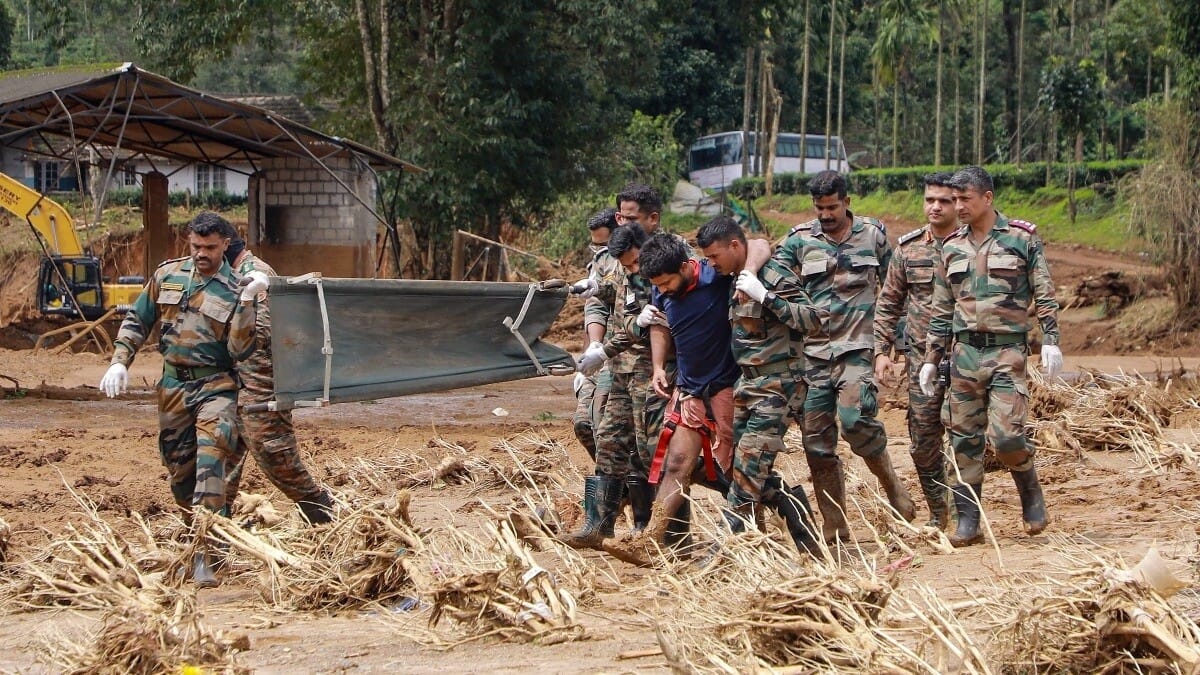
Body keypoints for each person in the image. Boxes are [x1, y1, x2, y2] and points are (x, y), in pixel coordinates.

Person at [99, 212, 264, 587]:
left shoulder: (238, 287)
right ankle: (206, 531)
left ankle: (204, 553)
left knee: (211, 461)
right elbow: (137, 321)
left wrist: (249, 303)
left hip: (217, 387)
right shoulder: (168, 275)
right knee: (180, 472)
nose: (201, 253)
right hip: (173, 387)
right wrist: (119, 361)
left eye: (209, 247)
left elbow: (241, 349)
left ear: (225, 243)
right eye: (195, 246)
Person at [764, 170, 916, 544]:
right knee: (816, 443)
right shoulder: (799, 241)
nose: (826, 214)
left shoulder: (873, 234)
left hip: (858, 348)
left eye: (832, 207)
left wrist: (898, 347)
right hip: (812, 355)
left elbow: (896, 291)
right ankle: (835, 522)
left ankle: (891, 483)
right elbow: (770, 269)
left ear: (847, 202)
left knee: (855, 419)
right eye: (819, 208)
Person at [920, 165, 1062, 547]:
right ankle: (969, 520)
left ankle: (1031, 491)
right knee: (962, 439)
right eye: (955, 199)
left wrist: (1050, 338)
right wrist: (932, 358)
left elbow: (1044, 290)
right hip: (964, 353)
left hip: (1007, 352)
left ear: (987, 198)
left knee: (1006, 437)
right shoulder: (949, 247)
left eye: (965, 198)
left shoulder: (1021, 238)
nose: (958, 206)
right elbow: (941, 307)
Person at [604, 232, 741, 565]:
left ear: (685, 267)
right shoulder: (660, 283)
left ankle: (768, 527)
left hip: (727, 389)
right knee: (676, 464)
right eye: (657, 286)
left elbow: (760, 248)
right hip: (690, 391)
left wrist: (750, 275)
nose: (662, 290)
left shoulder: (716, 275)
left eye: (666, 283)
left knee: (739, 470)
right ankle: (652, 539)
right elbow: (660, 325)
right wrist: (657, 367)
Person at [697, 216, 826, 556]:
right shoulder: (733, 278)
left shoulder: (773, 277)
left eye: (715, 256)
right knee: (746, 469)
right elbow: (756, 246)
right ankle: (806, 541)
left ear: (735, 246)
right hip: (748, 387)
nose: (712, 263)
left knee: (749, 469)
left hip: (779, 386)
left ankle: (727, 547)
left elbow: (813, 319)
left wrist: (766, 297)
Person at [206, 214, 336, 526]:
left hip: (259, 389)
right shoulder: (228, 275)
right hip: (231, 389)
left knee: (277, 460)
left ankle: (324, 517)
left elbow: (259, 334)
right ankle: (211, 535)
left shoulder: (255, 274)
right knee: (218, 462)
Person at [564, 223, 671, 547]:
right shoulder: (629, 270)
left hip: (648, 371)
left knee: (647, 452)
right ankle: (599, 525)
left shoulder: (663, 271)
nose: (631, 269)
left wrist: (604, 350)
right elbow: (622, 296)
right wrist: (598, 288)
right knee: (609, 440)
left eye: (633, 262)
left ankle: (655, 530)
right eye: (625, 265)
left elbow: (638, 325)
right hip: (623, 370)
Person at [872, 173, 959, 529]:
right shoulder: (908, 249)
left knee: (964, 438)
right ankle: (939, 510)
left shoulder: (972, 246)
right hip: (923, 360)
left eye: (944, 200)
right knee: (923, 441)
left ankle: (965, 515)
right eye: (929, 200)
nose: (935, 207)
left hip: (966, 356)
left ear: (959, 203)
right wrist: (881, 351)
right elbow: (888, 303)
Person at [569, 208, 622, 461]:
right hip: (600, 355)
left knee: (610, 433)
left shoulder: (647, 257)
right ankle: (617, 490)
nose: (601, 250)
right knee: (583, 424)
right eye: (596, 245)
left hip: (627, 357)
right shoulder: (601, 262)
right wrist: (590, 349)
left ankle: (622, 491)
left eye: (605, 244)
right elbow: (595, 307)